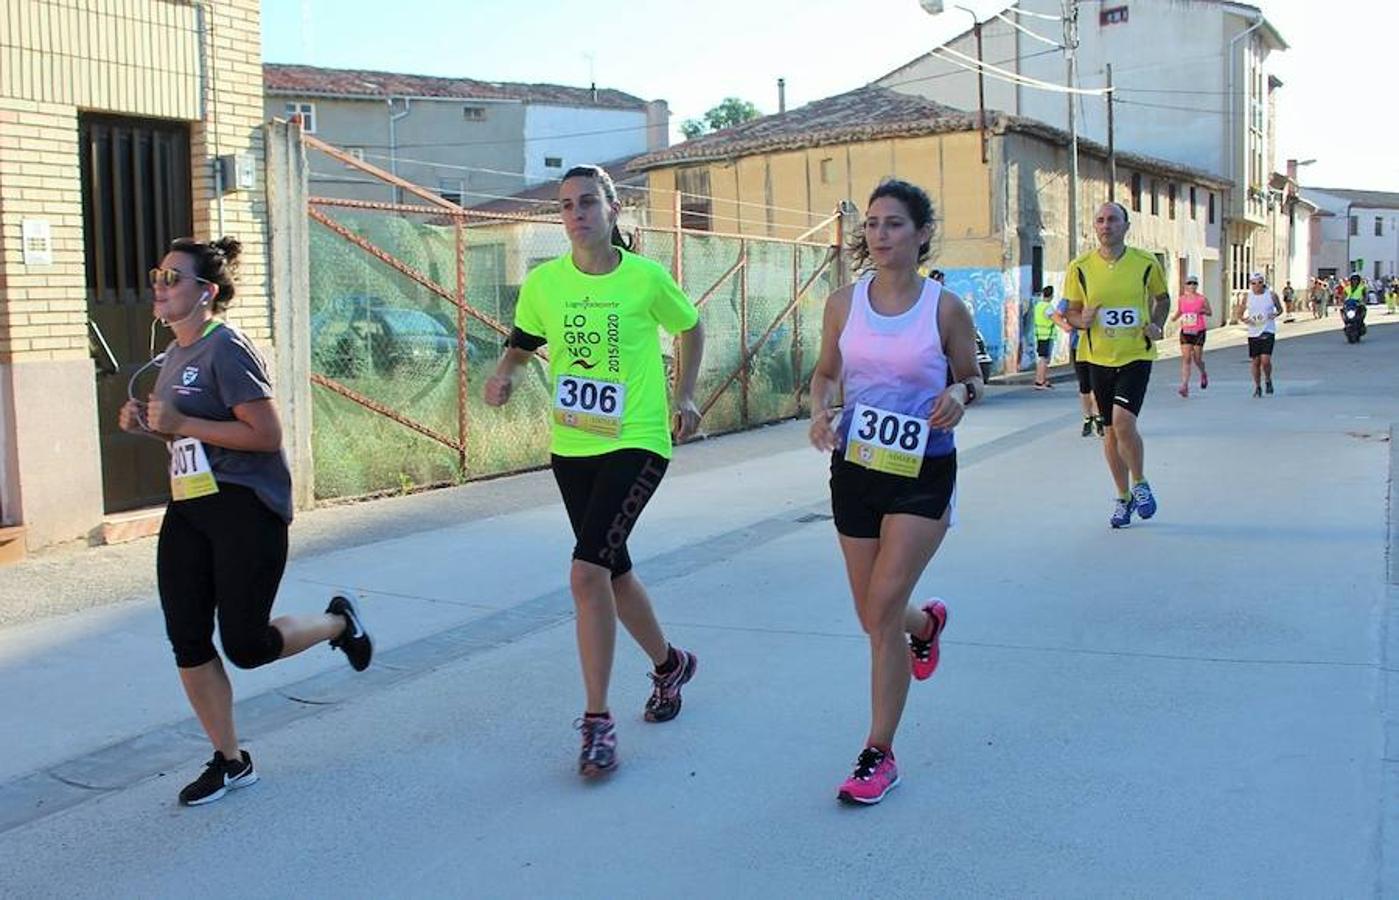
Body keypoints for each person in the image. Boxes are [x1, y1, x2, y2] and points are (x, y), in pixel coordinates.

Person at [118, 237, 373, 807]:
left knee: (246, 645)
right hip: (189, 506)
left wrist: (181, 418)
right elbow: (186, 429)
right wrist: (152, 424)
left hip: (245, 508)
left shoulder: (226, 349)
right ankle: (231, 762)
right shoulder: (172, 357)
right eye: (158, 274)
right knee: (186, 637)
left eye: (173, 278)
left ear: (205, 292)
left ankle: (338, 624)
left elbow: (265, 435)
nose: (160, 285)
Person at [484, 164, 705, 779]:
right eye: (566, 206)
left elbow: (691, 327)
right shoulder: (544, 283)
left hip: (637, 440)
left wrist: (683, 396)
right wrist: (504, 374)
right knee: (611, 572)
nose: (576, 214)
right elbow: (524, 341)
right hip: (573, 446)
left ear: (612, 210)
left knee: (586, 573)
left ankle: (597, 722)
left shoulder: (645, 279)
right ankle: (670, 665)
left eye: (587, 203)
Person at [808, 178, 980, 805]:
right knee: (873, 614)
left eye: (894, 224)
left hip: (921, 470)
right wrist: (820, 410)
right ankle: (925, 625)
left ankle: (878, 752)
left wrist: (958, 396)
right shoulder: (842, 303)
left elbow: (972, 376)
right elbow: (826, 373)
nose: (880, 235)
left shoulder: (944, 308)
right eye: (873, 224)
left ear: (922, 233)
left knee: (879, 610)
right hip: (856, 466)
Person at [1062, 202, 1170, 529]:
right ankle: (1122, 497)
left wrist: (1156, 323)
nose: (1106, 225)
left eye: (1112, 220)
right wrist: (1082, 319)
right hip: (1098, 357)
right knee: (1109, 431)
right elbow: (1069, 312)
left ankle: (1139, 483)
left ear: (1126, 225)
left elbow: (1162, 299)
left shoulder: (1145, 263)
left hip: (1136, 353)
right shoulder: (1080, 267)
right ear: (1094, 227)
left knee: (1123, 422)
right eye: (1100, 220)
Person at [1050, 289, 1103, 436]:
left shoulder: (1100, 291)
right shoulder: (1070, 297)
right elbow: (1055, 315)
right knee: (1085, 385)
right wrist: (1067, 326)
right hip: (1078, 346)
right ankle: (1088, 417)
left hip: (1100, 346)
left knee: (1098, 383)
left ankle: (1099, 417)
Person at [1236, 272, 1283, 397]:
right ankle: (1257, 386)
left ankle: (1267, 379)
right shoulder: (1247, 297)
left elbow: (1280, 309)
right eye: (1254, 283)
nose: (1257, 285)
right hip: (1253, 332)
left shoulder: (1271, 295)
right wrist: (1245, 319)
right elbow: (1239, 313)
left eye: (1260, 282)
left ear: (1263, 283)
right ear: (1250, 284)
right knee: (1255, 361)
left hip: (1268, 330)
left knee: (1265, 360)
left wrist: (1275, 314)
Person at [1171, 275, 1212, 397]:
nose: (1192, 286)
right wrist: (1174, 318)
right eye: (1189, 283)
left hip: (1199, 331)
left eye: (1194, 283)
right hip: (1186, 331)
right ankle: (1184, 385)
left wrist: (1203, 311)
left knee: (1197, 359)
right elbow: (1180, 311)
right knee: (1186, 358)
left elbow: (1210, 312)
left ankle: (1203, 373)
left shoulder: (1202, 299)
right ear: (1185, 285)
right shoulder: (1181, 299)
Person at [1032, 285, 1057, 389]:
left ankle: (1043, 380)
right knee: (1044, 359)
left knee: (1043, 358)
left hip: (1039, 335)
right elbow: (1055, 319)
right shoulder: (1048, 307)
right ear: (1051, 295)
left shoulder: (1038, 305)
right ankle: (1040, 382)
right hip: (1046, 336)